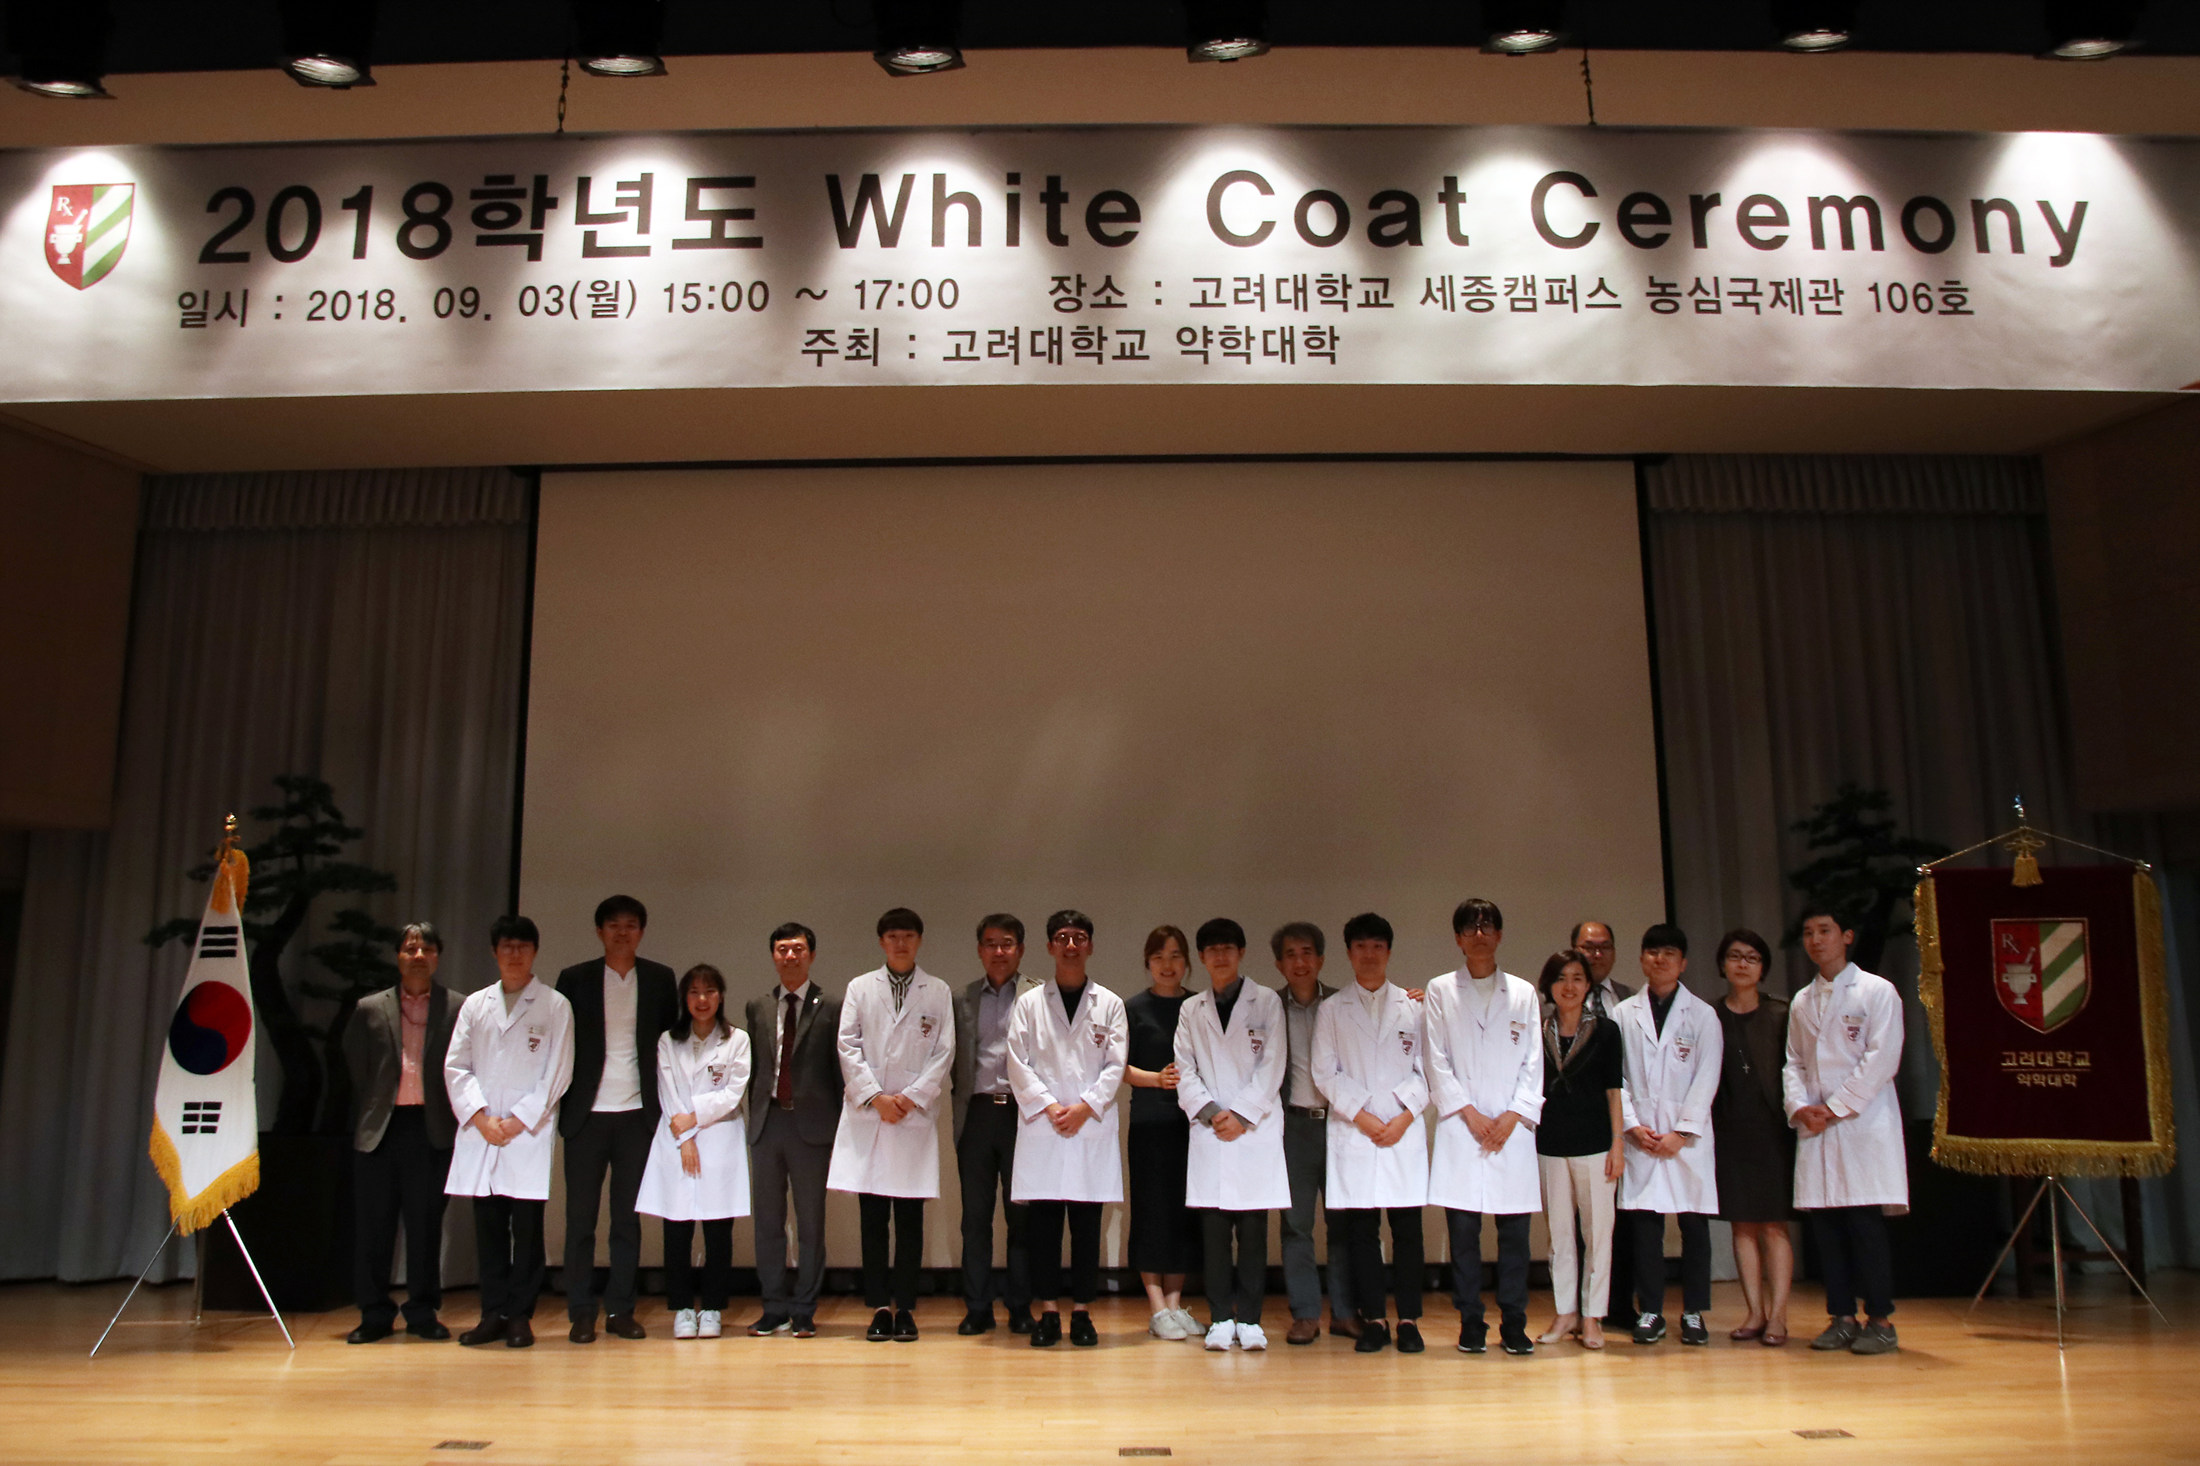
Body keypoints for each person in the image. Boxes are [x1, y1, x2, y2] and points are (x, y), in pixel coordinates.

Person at [444, 915, 575, 1349]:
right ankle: (492, 1313)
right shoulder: (475, 1004)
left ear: (534, 952)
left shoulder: (554, 1005)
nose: (514, 954)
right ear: (494, 952)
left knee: (527, 1231)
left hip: (526, 1133)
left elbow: (558, 1072)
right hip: (483, 1131)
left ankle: (520, 1315)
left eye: (522, 946)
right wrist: (481, 1118)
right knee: (489, 1230)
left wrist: (518, 1120)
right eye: (506, 946)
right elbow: (456, 1066)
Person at [828, 907, 956, 1344]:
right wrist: (875, 1097)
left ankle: (906, 1308)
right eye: (893, 936)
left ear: (919, 941)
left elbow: (944, 1051)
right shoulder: (860, 988)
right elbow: (848, 1045)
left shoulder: (937, 991)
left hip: (911, 1116)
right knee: (873, 1220)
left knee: (910, 1220)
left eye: (908, 936)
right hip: (872, 1114)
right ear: (881, 942)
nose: (901, 943)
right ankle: (879, 1308)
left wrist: (910, 1097)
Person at [555, 894, 678, 1344]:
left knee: (627, 1221)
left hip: (637, 1117)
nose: (622, 932)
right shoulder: (575, 979)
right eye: (613, 925)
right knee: (580, 1221)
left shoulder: (661, 979)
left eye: (630, 925)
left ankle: (620, 1310)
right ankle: (580, 1312)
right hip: (585, 1116)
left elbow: (671, 1046)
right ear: (599, 931)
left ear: (641, 932)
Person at [1424, 897, 1545, 1357]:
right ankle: (1470, 1321)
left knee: (1515, 1237)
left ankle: (1514, 1322)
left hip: (1512, 1129)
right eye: (1470, 928)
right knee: (1464, 1237)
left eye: (1487, 926)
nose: (1479, 934)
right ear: (1458, 938)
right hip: (1464, 1127)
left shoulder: (1523, 993)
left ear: (1499, 935)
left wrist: (1513, 1115)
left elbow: (1533, 1062)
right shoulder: (1440, 990)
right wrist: (1469, 1113)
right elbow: (1435, 1059)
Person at [1785, 908, 1907, 1357]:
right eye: (1808, 933)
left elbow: (1882, 1058)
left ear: (1847, 936)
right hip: (1816, 1127)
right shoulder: (1802, 1001)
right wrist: (1801, 1107)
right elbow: (1794, 1062)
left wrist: (1835, 1108)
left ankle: (1881, 1320)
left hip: (1861, 1124)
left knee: (1863, 1226)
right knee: (1827, 1228)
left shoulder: (1876, 991)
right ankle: (1841, 1317)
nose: (1816, 940)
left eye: (1825, 931)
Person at [1007, 909, 1129, 1348]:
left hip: (1088, 1127)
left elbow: (1116, 1066)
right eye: (1062, 937)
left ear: (1090, 945)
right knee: (1043, 1229)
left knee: (1086, 1228)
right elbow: (1017, 1062)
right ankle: (1048, 1313)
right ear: (1050, 946)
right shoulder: (1029, 1003)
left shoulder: (1110, 1004)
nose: (1071, 945)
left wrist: (1085, 1107)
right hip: (1045, 1126)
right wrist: (1050, 1105)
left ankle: (1082, 1312)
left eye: (1079, 937)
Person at [1311, 911, 1428, 1354]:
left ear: (1389, 952)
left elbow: (1428, 1070)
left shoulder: (1414, 1007)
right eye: (1360, 946)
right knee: (1363, 1233)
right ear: (1348, 953)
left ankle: (1409, 1320)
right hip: (1357, 1132)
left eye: (1377, 946)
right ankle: (1375, 1318)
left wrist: (1402, 1116)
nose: (1369, 954)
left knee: (1407, 1231)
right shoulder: (1332, 1009)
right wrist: (1364, 1117)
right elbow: (1325, 1071)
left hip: (1402, 1130)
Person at [343, 921, 460, 1343]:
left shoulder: (457, 1007)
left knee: (425, 1226)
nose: (418, 956)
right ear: (398, 956)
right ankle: (374, 1313)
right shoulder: (370, 1008)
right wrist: (379, 1103)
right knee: (374, 1226)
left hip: (431, 1129)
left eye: (427, 949)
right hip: (382, 1128)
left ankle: (422, 1312)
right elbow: (357, 1063)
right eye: (411, 949)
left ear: (438, 957)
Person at [1176, 918, 1289, 1352]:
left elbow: (1273, 1064)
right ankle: (1221, 1317)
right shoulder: (1192, 1009)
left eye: (1228, 948)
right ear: (1202, 958)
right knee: (1215, 1235)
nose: (1220, 956)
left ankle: (1253, 1320)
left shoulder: (1266, 1002)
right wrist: (1211, 1112)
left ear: (1241, 953)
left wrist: (1241, 1115)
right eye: (1212, 950)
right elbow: (1184, 1068)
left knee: (1254, 1233)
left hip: (1253, 1130)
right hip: (1210, 1130)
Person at [1613, 922, 1722, 1347]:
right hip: (1641, 1136)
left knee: (1694, 1227)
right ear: (1642, 959)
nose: (1660, 960)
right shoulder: (1623, 1014)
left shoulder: (1703, 1016)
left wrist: (1681, 1131)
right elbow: (1616, 1077)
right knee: (1645, 1229)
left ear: (1683, 963)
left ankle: (1694, 1311)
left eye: (1669, 954)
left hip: (1685, 1141)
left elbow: (1707, 1076)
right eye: (1653, 952)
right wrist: (1631, 1124)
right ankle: (1651, 1310)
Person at [635, 964, 751, 1340]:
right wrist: (685, 1136)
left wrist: (694, 1118)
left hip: (720, 1138)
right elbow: (667, 1090)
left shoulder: (737, 1040)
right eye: (694, 992)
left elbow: (732, 1093)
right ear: (684, 998)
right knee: (677, 1227)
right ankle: (683, 1307)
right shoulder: (668, 1041)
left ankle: (713, 1307)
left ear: (721, 996)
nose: (702, 999)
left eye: (710, 991)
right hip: (676, 1139)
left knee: (718, 1230)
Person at [743, 922, 843, 1339]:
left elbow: (839, 1072)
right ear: (773, 955)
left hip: (812, 1127)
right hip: (768, 1123)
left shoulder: (831, 1005)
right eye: (782, 949)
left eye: (798, 949)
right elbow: (752, 1068)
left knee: (810, 1223)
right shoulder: (758, 1007)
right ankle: (773, 1307)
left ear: (811, 955)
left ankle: (804, 1309)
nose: (790, 956)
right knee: (767, 1221)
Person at [952, 913, 1039, 1335]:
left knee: (1022, 1218)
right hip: (977, 1114)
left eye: (1007, 943)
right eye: (990, 943)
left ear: (1020, 949)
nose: (999, 951)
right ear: (979, 950)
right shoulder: (962, 999)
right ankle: (977, 1307)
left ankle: (1020, 1306)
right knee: (975, 1218)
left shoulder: (1040, 995)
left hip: (1024, 1115)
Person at [1533, 948, 1624, 1350]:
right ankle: (1565, 1311)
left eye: (1577, 978)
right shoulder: (1537, 1031)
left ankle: (1592, 1317)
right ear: (1548, 985)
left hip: (1596, 1144)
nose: (1568, 986)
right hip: (1550, 1144)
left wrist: (1618, 1143)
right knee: (1559, 1235)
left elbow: (1614, 1092)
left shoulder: (1606, 1031)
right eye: (1561, 978)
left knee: (1598, 1233)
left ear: (1588, 985)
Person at [1272, 921, 1356, 1345]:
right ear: (1279, 963)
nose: (1299, 961)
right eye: (1290, 954)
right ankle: (1305, 1313)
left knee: (1344, 1223)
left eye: (1307, 952)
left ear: (1321, 959)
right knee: (1296, 1225)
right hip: (1293, 1127)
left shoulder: (1343, 1004)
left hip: (1340, 1125)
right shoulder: (1268, 1007)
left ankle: (1345, 1312)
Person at [1712, 927, 1795, 1346]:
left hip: (1773, 1130)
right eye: (1735, 956)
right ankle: (1754, 1312)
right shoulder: (1709, 1015)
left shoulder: (1781, 1013)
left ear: (1763, 968)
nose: (1742, 964)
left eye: (1752, 958)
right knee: (1742, 1226)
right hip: (1728, 1131)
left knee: (1774, 1226)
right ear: (1722, 964)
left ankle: (1778, 1315)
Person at [1124, 925, 1200, 1340]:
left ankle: (1175, 1306)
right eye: (1158, 958)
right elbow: (1116, 1067)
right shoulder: (1133, 1008)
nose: (1167, 965)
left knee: (1184, 1213)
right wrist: (1156, 1079)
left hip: (1193, 1124)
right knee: (1151, 1211)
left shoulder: (1199, 1005)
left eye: (1174, 957)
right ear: (1147, 963)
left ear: (1186, 961)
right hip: (1150, 1122)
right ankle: (1156, 1308)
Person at [1575, 917, 1640, 1332]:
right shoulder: (1558, 999)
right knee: (1581, 1223)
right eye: (1588, 947)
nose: (1596, 954)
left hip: (1625, 1123)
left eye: (1604, 947)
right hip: (1578, 1123)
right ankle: (1582, 1309)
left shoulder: (1632, 999)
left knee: (1624, 1220)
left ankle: (1620, 1304)